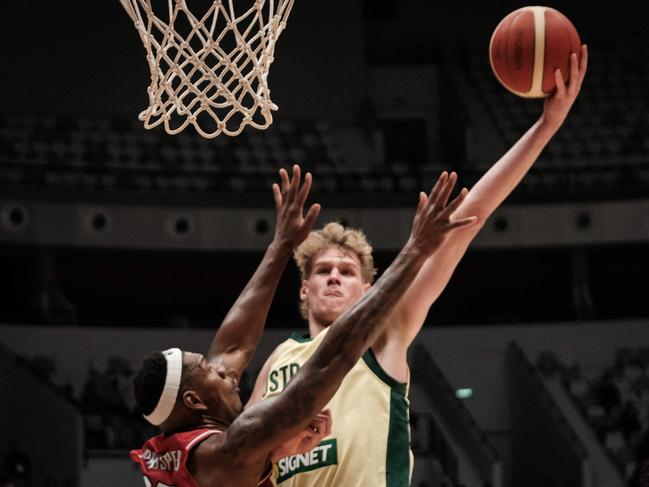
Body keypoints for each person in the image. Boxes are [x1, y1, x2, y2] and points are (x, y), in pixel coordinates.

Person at [248, 46, 588, 486]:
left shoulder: (381, 335)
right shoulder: (279, 359)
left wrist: (546, 126)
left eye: (347, 271)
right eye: (323, 270)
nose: (334, 275)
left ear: (370, 290)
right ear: (303, 289)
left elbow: (468, 221)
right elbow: (243, 455)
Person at [129, 166, 476, 487]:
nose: (226, 372)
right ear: (194, 400)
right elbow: (331, 361)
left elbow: (232, 349)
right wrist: (414, 250)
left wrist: (281, 246)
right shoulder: (227, 451)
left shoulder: (184, 439)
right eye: (212, 372)